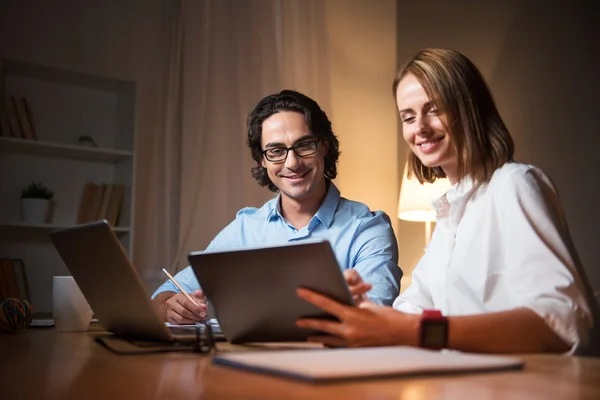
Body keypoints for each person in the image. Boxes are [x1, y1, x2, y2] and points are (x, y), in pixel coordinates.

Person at [296, 48, 598, 354]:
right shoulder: (450, 214)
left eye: (434, 109)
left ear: (468, 108)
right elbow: (410, 312)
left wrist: (412, 330)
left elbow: (563, 321)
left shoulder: (514, 184)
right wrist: (356, 309)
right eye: (408, 117)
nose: (420, 128)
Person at [152, 89, 402, 324]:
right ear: (262, 159)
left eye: (304, 145)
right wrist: (171, 307)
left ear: (324, 146)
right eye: (275, 151)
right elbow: (163, 295)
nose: (292, 162)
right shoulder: (244, 229)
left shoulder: (368, 229)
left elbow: (374, 316)